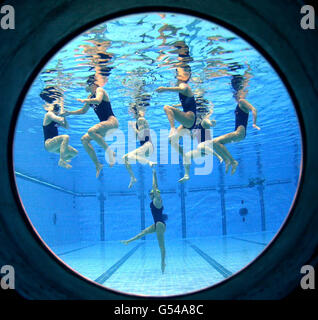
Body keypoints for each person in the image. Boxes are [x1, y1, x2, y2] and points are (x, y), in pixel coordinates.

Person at [61, 75, 118, 178]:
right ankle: (98, 165)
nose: (85, 87)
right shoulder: (90, 97)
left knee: (91, 131)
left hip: (111, 122)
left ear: (91, 84)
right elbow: (83, 111)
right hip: (104, 126)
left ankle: (110, 152)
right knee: (84, 139)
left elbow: (98, 100)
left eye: (86, 85)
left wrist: (85, 101)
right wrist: (69, 113)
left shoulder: (99, 90)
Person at [212, 69, 260, 175]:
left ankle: (232, 161)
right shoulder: (240, 103)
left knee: (214, 142)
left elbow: (254, 109)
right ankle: (229, 161)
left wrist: (254, 123)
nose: (234, 96)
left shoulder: (242, 101)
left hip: (239, 133)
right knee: (214, 143)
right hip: (239, 133)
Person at [121, 168, 167, 274]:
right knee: (143, 232)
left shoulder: (157, 200)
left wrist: (154, 173)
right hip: (157, 224)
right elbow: (155, 188)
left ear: (155, 194)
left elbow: (155, 186)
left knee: (161, 245)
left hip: (160, 225)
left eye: (152, 193)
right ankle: (129, 241)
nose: (150, 194)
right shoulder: (154, 200)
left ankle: (163, 262)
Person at [42, 91, 78, 169]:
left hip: (55, 146)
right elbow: (58, 119)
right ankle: (62, 160)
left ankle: (63, 159)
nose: (56, 107)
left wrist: (64, 116)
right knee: (65, 137)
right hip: (48, 144)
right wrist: (62, 109)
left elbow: (66, 126)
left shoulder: (56, 117)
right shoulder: (48, 114)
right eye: (55, 106)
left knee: (74, 153)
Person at [123, 106, 156, 188]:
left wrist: (133, 127)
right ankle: (133, 177)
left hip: (148, 145)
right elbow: (137, 137)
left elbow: (140, 136)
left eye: (131, 111)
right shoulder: (139, 121)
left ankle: (149, 162)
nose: (130, 114)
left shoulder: (140, 120)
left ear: (135, 112)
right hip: (146, 147)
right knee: (125, 158)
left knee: (129, 156)